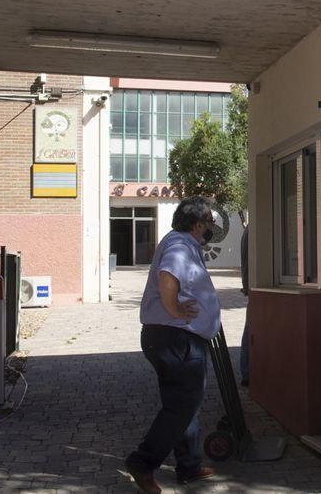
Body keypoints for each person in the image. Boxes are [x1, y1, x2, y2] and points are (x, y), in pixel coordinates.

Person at [125, 196, 221, 493]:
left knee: (183, 403)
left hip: (173, 338)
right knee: (182, 405)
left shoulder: (181, 241)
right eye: (208, 223)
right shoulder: (180, 244)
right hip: (176, 338)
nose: (211, 228)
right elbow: (169, 277)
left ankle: (189, 466)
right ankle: (143, 462)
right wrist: (177, 310)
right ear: (197, 225)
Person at [238, 224, 250, 386]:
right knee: (251, 330)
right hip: (253, 289)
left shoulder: (249, 229)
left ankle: (247, 371)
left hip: (251, 287)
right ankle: (247, 371)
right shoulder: (254, 230)